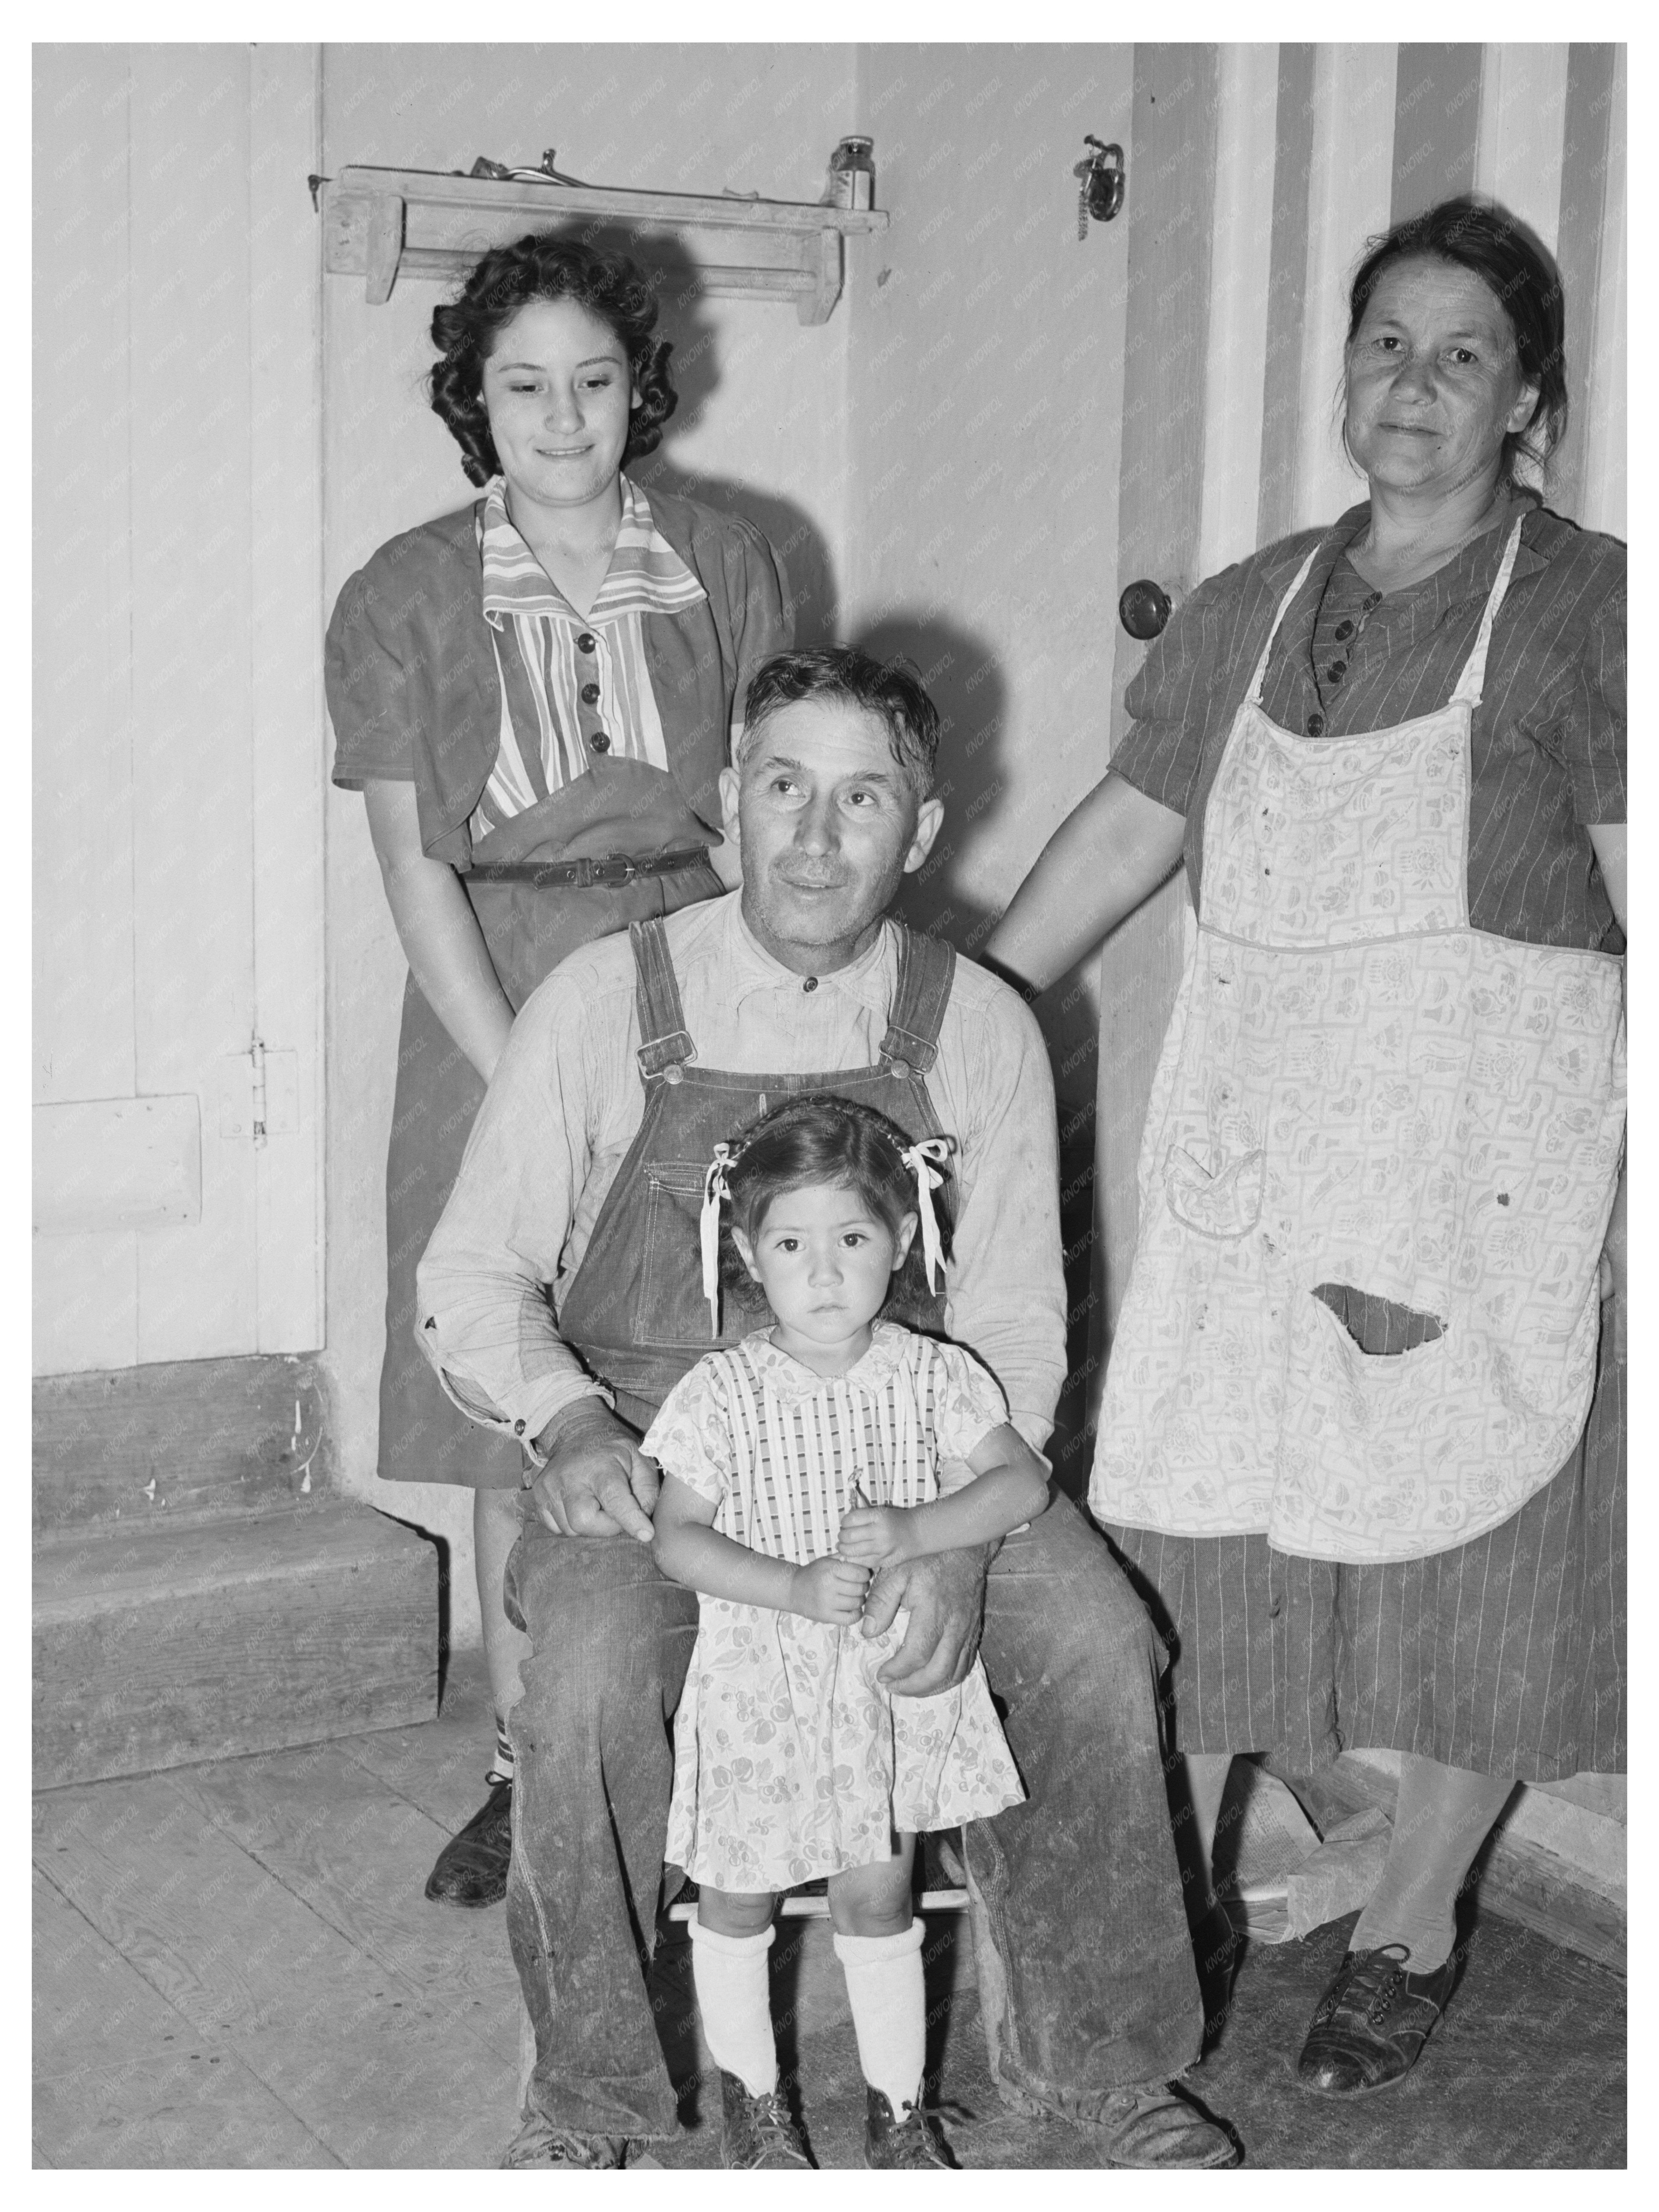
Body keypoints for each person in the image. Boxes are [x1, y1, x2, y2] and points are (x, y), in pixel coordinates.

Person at [416, 646, 1240, 2169]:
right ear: (730, 806)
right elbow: (472, 1274)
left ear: (921, 830)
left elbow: (1011, 1332)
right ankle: (589, 2096)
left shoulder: (976, 1019)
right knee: (589, 1675)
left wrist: (954, 1545)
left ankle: (1097, 2066)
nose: (814, 833)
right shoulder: (609, 1001)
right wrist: (568, 1420)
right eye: (784, 787)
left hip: (919, 1454)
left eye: (862, 798)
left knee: (1096, 1641)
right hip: (669, 1465)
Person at [986, 196, 1626, 2100]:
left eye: (1462, 355)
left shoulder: (1593, 604)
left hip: (1474, 1163)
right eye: (1385, 344)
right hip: (1258, 1165)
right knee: (1201, 1528)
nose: (1412, 385)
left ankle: (1416, 1918)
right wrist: (964, 1013)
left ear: (1529, 399)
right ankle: (1164, 1902)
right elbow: (1127, 827)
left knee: (1479, 1555)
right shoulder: (1254, 600)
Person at [325, 232, 790, 1908]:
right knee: (521, 1381)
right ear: (474, 401)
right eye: (523, 384)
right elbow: (411, 864)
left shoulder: (733, 560)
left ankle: (697, 1743)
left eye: (594, 378)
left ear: (640, 387)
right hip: (495, 992)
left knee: (709, 1358)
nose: (564, 413)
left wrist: (744, 1034)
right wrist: (533, 1071)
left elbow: (763, 815)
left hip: (692, 980)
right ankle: (533, 1772)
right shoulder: (398, 589)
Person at [647, 1093, 1051, 2171]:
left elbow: (1021, 1481)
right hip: (760, 1686)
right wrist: (785, 1587)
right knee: (738, 1897)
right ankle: (758, 2109)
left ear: (903, 1240)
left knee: (879, 1896)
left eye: (852, 1239)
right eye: (791, 1244)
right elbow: (676, 1538)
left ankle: (899, 2110)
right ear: (746, 1250)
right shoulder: (721, 1390)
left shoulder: (933, 1375)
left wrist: (922, 1526)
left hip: (882, 1684)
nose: (822, 1275)